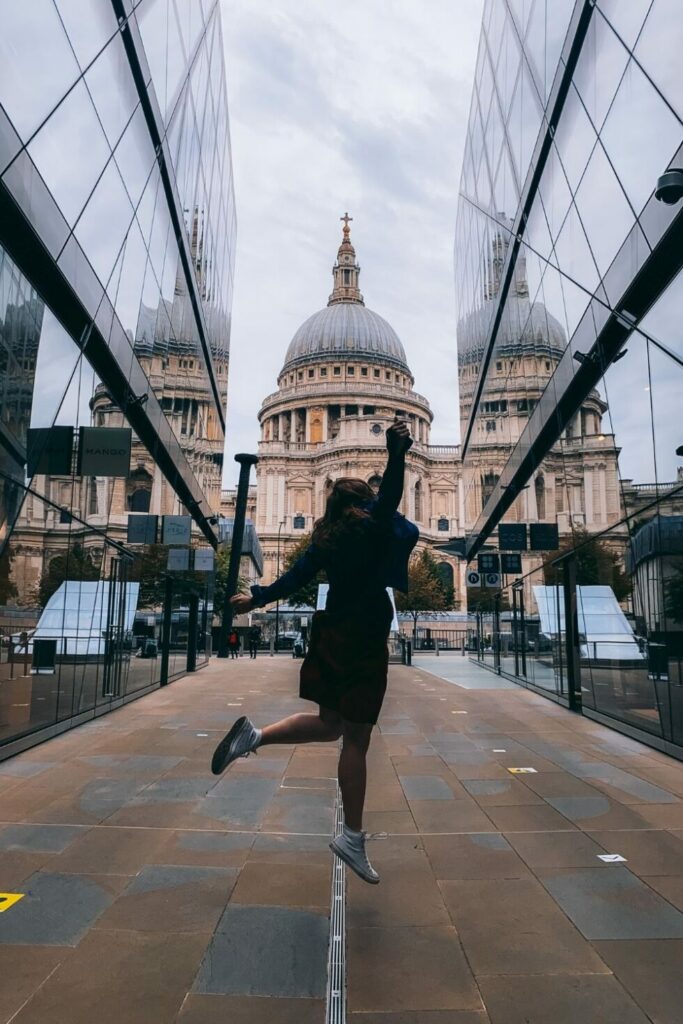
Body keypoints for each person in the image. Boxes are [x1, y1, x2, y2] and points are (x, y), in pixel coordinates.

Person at [211, 418, 418, 884]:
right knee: (356, 739)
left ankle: (254, 737)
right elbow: (391, 499)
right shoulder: (373, 528)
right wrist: (397, 453)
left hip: (330, 633)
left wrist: (256, 597)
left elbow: (295, 577)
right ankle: (352, 836)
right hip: (363, 636)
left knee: (331, 724)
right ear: (362, 504)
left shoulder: (327, 539)